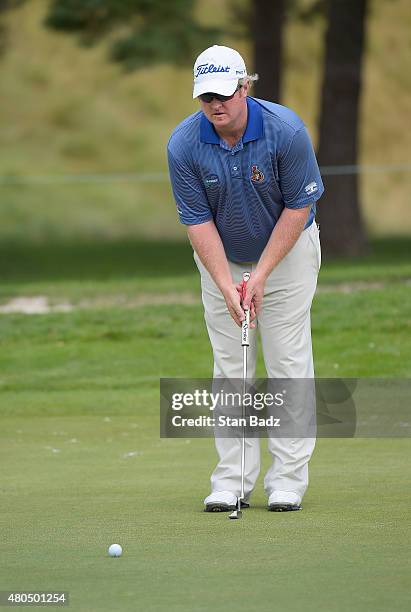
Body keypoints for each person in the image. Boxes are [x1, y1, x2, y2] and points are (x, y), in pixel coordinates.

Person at [167, 45, 323, 512]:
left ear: (245, 86)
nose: (215, 105)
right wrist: (226, 284)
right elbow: (197, 223)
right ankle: (232, 480)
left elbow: (300, 206)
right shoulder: (183, 144)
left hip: (288, 254)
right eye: (205, 97)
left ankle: (288, 480)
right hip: (222, 258)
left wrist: (262, 276)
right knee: (231, 367)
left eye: (224, 93)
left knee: (286, 362)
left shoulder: (286, 131)